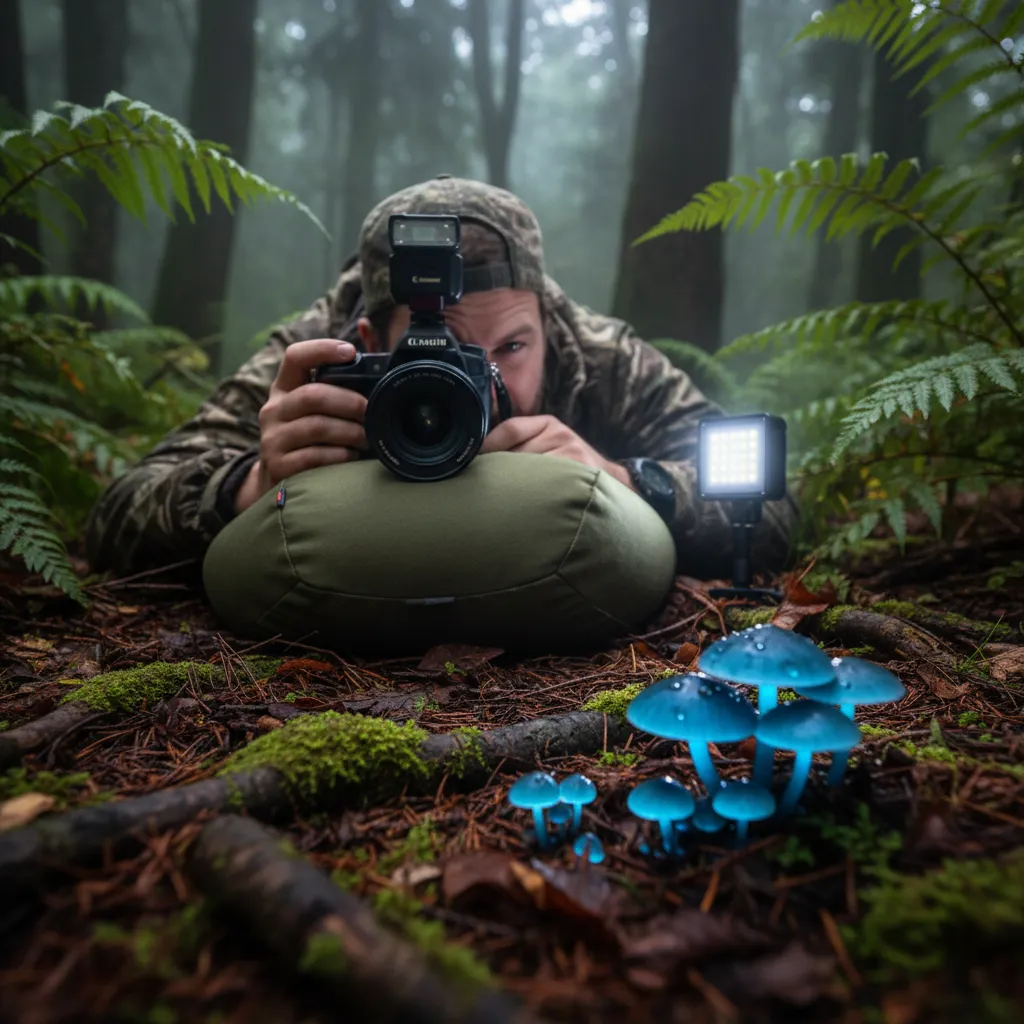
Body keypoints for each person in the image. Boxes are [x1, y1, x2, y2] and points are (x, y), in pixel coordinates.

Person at [85, 176, 797, 650]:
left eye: (512, 346)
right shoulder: (319, 351)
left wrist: (630, 478)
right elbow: (116, 512)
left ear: (550, 324)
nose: (487, 374)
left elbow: (775, 503)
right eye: (449, 354)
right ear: (371, 341)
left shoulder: (599, 355)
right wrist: (245, 482)